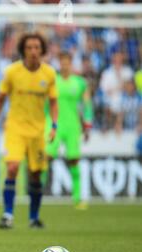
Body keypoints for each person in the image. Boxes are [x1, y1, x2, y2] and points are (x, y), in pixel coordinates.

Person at [0, 33, 59, 230]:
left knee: (35, 174)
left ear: (42, 50)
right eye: (29, 47)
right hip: (15, 128)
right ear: (23, 50)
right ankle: (7, 215)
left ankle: (34, 218)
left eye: (37, 47)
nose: (34, 51)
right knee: (12, 168)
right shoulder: (12, 72)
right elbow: (0, 99)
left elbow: (53, 102)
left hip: (38, 131)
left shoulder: (49, 74)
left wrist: (54, 125)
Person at [45, 52, 93, 210]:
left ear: (71, 64)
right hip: (54, 124)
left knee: (74, 160)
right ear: (59, 64)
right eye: (62, 62)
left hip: (73, 126)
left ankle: (77, 199)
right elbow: (45, 103)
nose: (65, 65)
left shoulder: (80, 83)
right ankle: (36, 195)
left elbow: (87, 104)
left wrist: (87, 124)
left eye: (67, 62)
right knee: (46, 157)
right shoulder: (52, 81)